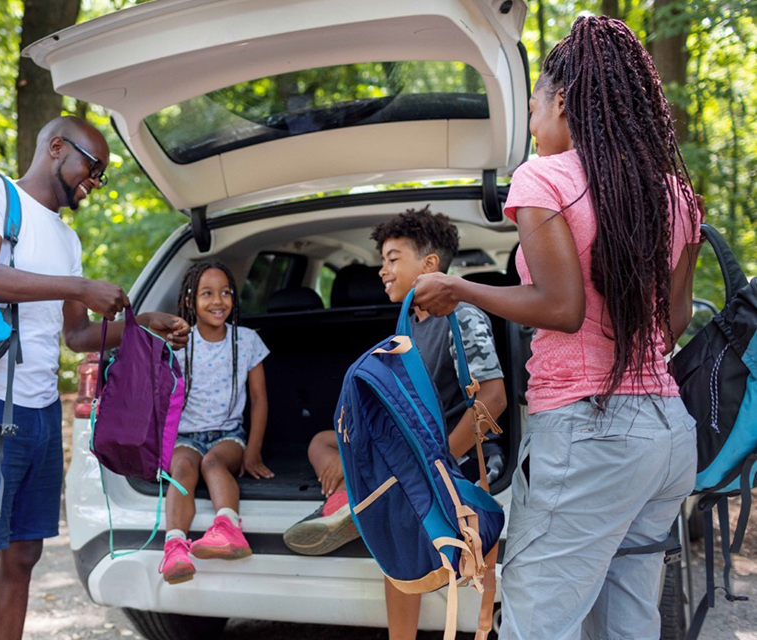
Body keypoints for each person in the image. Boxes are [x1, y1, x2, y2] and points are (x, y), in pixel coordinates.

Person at [412, 16, 704, 640]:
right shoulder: (674, 194)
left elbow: (562, 307)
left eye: (536, 105)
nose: (535, 125)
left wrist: (460, 287)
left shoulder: (545, 178)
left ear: (563, 100)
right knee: (627, 616)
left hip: (588, 433)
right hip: (667, 435)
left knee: (538, 620)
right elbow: (674, 319)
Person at [0, 115, 189, 640]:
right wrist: (77, 284)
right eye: (92, 169)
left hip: (41, 412)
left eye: (101, 176)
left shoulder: (67, 240)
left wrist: (143, 327)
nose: (95, 182)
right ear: (55, 148)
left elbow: (76, 336)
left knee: (23, 556)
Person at [282, 207, 507, 639]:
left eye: (392, 258)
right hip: (412, 447)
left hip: (448, 453)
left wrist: (435, 464)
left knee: (403, 517)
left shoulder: (459, 316)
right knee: (323, 441)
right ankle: (349, 496)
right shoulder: (408, 324)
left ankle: (353, 498)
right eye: (382, 260)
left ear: (429, 265)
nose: (381, 270)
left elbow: (493, 399)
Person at [158, 260, 273, 584]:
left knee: (212, 464)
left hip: (228, 436)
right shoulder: (179, 345)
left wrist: (253, 452)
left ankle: (228, 528)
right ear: (190, 300)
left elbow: (259, 399)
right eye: (207, 294)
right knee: (182, 472)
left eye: (225, 293)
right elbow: (165, 402)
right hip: (186, 437)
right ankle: (175, 547)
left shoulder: (247, 340)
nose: (218, 301)